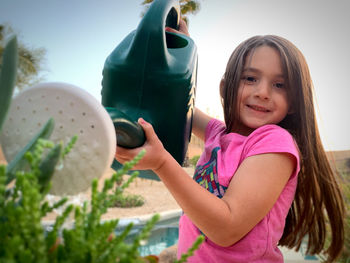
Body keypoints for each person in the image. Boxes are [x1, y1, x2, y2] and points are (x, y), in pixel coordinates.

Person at [115, 20, 345, 262]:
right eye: (250, 78)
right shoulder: (217, 133)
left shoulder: (275, 144)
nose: (263, 92)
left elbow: (226, 229)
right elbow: (179, 101)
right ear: (226, 88)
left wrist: (161, 163)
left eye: (279, 85)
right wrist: (178, 49)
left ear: (294, 102)